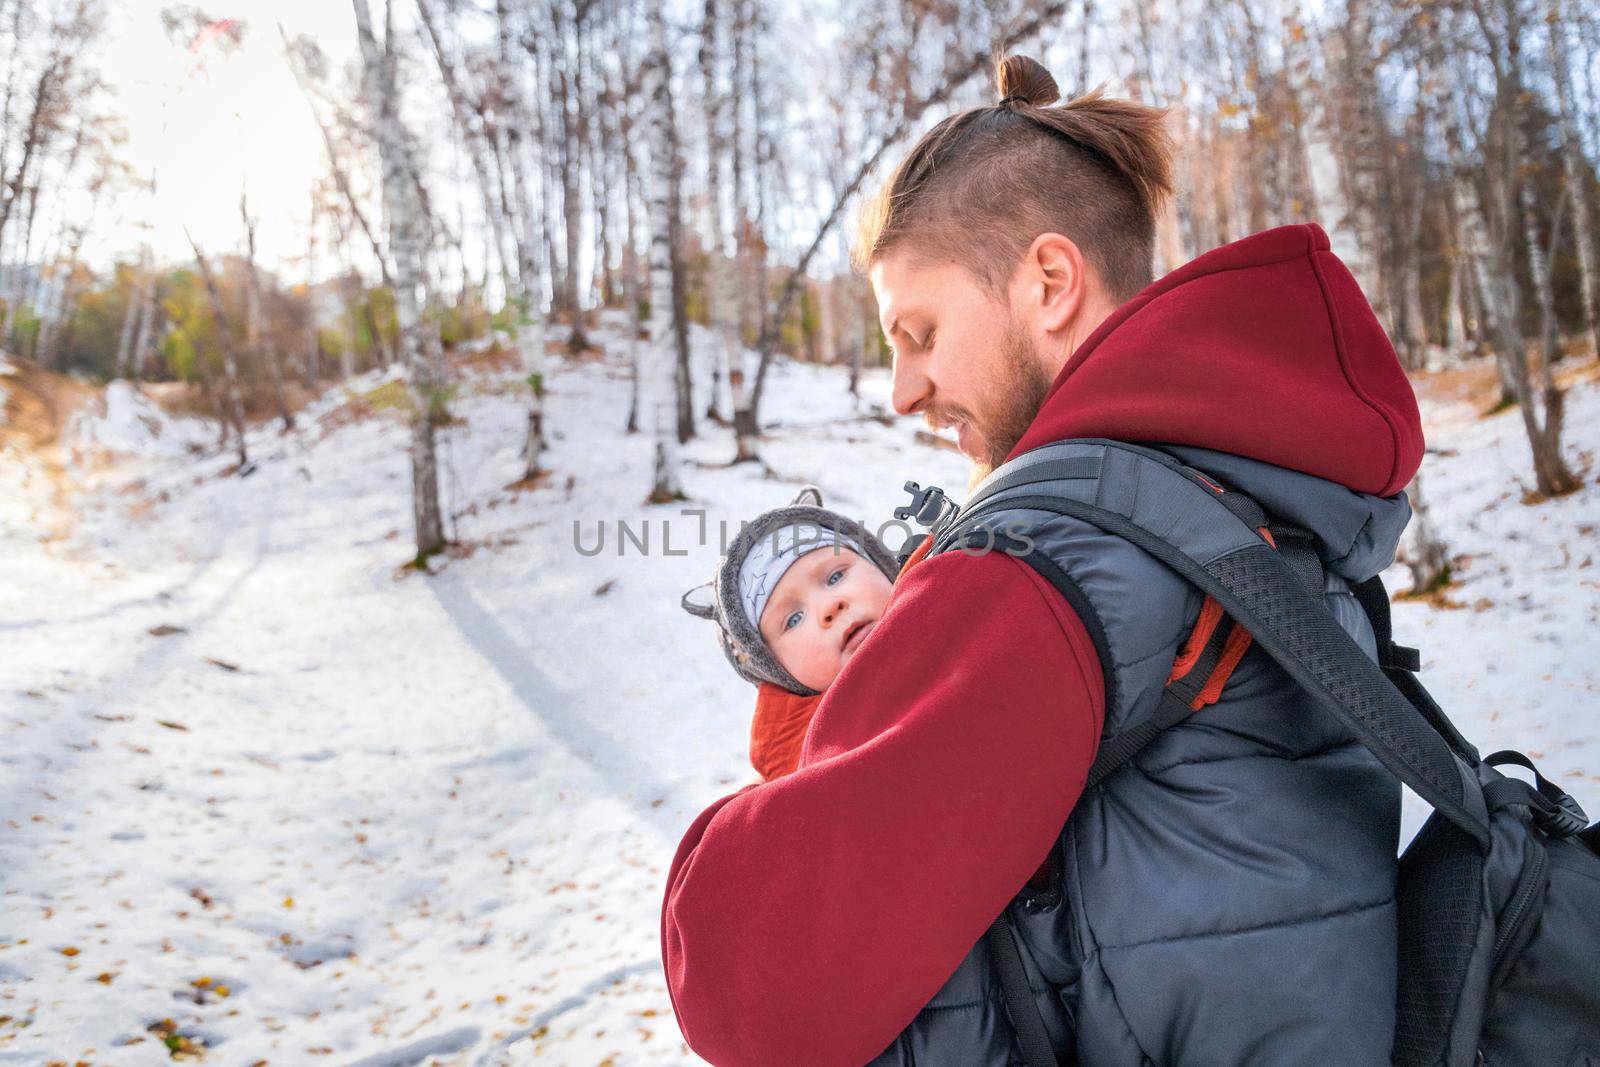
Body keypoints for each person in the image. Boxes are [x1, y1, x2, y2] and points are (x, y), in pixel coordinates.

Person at [662, 52, 1420, 1066]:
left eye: (919, 331)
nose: (902, 388)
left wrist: (794, 751)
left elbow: (744, 986)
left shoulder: (1047, 551)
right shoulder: (1233, 474)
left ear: (1049, 282)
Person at [678, 486, 901, 783]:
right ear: (776, 669)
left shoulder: (955, 597)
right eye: (794, 619)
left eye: (835, 577)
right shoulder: (798, 764)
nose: (829, 608)